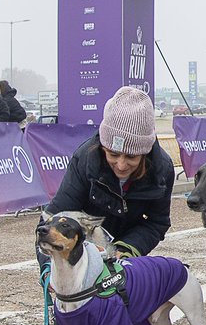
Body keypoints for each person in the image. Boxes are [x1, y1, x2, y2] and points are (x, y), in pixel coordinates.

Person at [45, 86, 176, 258]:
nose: (121, 165)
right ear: (103, 147)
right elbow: (53, 218)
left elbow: (156, 222)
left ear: (145, 153)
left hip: (128, 245)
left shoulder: (162, 169)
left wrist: (125, 250)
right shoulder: (84, 159)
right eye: (113, 154)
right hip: (85, 246)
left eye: (131, 157)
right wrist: (48, 269)